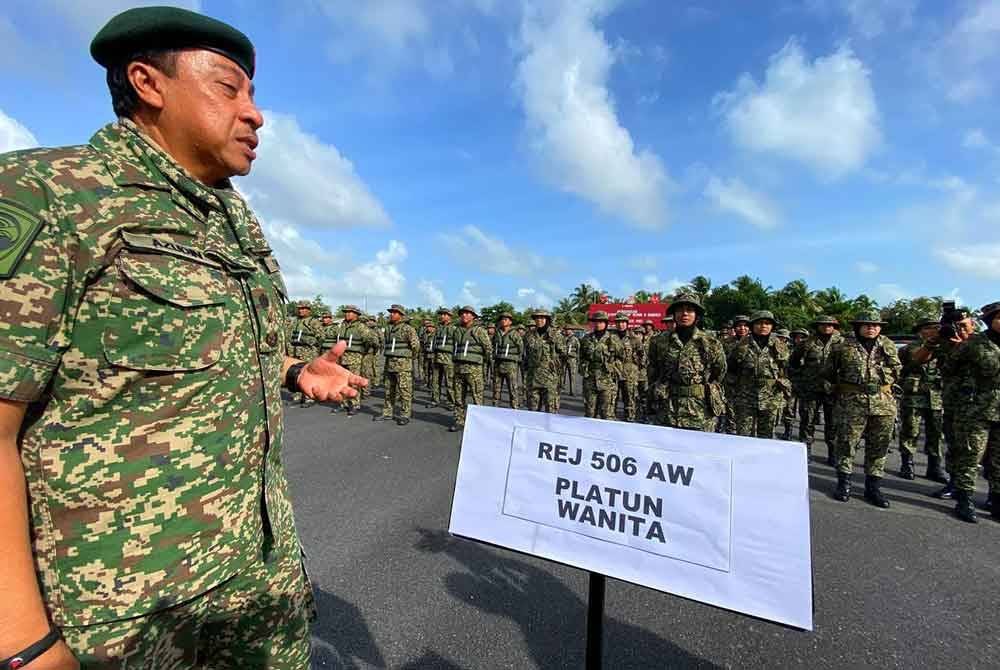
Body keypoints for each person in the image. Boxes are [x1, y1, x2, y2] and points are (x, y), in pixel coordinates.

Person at [0, 7, 370, 667]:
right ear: (148, 82)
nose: (255, 114)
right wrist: (24, 644)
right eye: (231, 88)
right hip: (124, 618)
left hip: (258, 585)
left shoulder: (231, 220)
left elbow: (183, 339)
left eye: (253, 94)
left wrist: (290, 369)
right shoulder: (50, 195)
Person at [823, 311, 902, 507]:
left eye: (875, 325)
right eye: (866, 324)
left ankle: (873, 487)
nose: (871, 328)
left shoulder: (888, 345)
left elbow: (898, 370)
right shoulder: (842, 346)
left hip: (883, 402)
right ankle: (844, 484)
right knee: (846, 443)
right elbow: (828, 372)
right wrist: (836, 392)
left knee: (879, 446)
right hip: (851, 402)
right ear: (858, 326)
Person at [910, 307, 977, 499]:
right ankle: (955, 483)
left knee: (985, 451)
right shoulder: (944, 344)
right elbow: (918, 361)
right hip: (954, 403)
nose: (960, 330)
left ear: (973, 325)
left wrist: (964, 346)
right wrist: (932, 342)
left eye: (964, 326)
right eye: (955, 327)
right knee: (954, 445)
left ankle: (993, 494)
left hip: (983, 406)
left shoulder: (984, 343)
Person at [942, 302, 1000, 522]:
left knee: (998, 459)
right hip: (976, 409)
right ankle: (964, 499)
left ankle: (996, 500)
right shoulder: (975, 343)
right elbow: (949, 369)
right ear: (990, 321)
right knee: (970, 455)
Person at [646, 294, 727, 431]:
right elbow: (653, 370)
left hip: (700, 411)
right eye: (680, 310)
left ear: (697, 315)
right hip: (667, 409)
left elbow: (719, 372)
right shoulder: (659, 341)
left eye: (689, 310)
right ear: (674, 314)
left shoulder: (710, 343)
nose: (684, 314)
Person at [896, 316, 948, 482]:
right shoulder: (909, 348)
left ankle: (934, 466)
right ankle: (907, 463)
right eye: (929, 328)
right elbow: (914, 361)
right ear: (920, 331)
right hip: (915, 395)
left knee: (936, 433)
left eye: (936, 328)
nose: (934, 331)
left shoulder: (946, 347)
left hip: (937, 396)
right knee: (910, 429)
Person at [727, 311, 791, 439]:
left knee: (766, 437)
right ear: (752, 326)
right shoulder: (740, 345)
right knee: (743, 436)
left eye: (767, 323)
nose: (763, 326)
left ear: (772, 326)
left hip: (771, 397)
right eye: (759, 323)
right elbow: (730, 369)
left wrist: (785, 386)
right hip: (745, 397)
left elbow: (788, 369)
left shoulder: (780, 346)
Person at [791, 315, 843, 464]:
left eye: (830, 325)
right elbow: (793, 363)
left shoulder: (842, 344)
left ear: (834, 327)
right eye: (823, 324)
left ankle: (833, 453)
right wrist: (799, 383)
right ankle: (805, 452)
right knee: (807, 421)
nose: (826, 327)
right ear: (817, 326)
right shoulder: (807, 343)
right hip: (810, 389)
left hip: (832, 390)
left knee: (832, 423)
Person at [449, 306, 493, 432]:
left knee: (477, 397)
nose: (464, 315)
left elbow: (488, 349)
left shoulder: (479, 331)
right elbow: (454, 347)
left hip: (474, 369)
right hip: (458, 368)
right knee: (458, 397)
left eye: (468, 313)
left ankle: (479, 423)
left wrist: (481, 363)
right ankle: (459, 420)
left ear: (473, 316)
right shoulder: (457, 331)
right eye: (463, 313)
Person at [330, 306, 377, 417]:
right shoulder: (341, 326)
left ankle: (355, 404)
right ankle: (343, 403)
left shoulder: (361, 327)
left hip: (354, 358)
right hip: (341, 358)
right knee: (341, 382)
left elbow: (372, 340)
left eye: (350, 312)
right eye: (346, 312)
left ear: (356, 314)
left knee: (354, 382)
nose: (347, 314)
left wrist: (363, 351)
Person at [378, 305, 420, 426]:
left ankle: (405, 414)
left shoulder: (408, 329)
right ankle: (387, 412)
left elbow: (416, 346)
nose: (392, 314)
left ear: (401, 315)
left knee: (404, 390)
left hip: (403, 365)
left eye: (395, 312)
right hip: (389, 363)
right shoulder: (389, 328)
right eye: (391, 312)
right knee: (388, 389)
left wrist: (409, 358)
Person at [580, 311, 624, 419]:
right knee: (590, 413)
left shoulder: (613, 339)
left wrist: (614, 368)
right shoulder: (586, 339)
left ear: (605, 323)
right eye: (595, 322)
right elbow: (581, 356)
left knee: (607, 414)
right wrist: (583, 368)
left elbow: (621, 356)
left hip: (607, 380)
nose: (598, 324)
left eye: (601, 322)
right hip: (590, 379)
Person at [524, 309, 566, 413]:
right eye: (537, 318)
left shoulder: (556, 335)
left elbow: (563, 354)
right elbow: (526, 353)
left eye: (542, 318)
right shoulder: (529, 335)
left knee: (551, 412)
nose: (539, 320)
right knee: (532, 411)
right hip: (533, 378)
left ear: (547, 320)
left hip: (550, 379)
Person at [287, 301, 325, 406]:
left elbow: (321, 336)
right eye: (299, 308)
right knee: (295, 374)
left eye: (304, 308)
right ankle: (298, 396)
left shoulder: (314, 322)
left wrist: (309, 341)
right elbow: (289, 335)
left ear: (309, 310)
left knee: (308, 375)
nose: (301, 310)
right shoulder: (295, 321)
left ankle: (309, 397)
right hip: (295, 351)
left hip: (308, 352)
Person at [613, 314, 641, 422]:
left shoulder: (634, 338)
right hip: (614, 372)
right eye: (618, 322)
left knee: (629, 398)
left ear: (627, 324)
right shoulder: (611, 338)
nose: (621, 324)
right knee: (612, 397)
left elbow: (642, 355)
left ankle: (629, 419)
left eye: (623, 322)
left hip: (630, 374)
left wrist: (634, 368)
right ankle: (611, 419)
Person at [493, 313, 523, 409]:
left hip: (510, 364)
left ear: (510, 322)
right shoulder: (497, 333)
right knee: (496, 388)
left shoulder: (515, 334)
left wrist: (515, 358)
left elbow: (520, 348)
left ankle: (514, 409)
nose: (503, 321)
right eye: (502, 319)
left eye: (506, 319)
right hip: (498, 363)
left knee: (512, 388)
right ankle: (495, 408)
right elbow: (493, 346)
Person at [430, 308, 458, 409]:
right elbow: (434, 342)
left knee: (449, 381)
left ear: (449, 316)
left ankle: (451, 402)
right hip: (437, 357)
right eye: (441, 314)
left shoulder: (454, 329)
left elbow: (456, 344)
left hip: (448, 358)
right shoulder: (438, 328)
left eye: (444, 314)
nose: (441, 316)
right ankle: (435, 400)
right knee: (435, 381)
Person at [561, 325, 579, 397]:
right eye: (566, 329)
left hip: (572, 359)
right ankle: (562, 388)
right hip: (563, 358)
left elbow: (578, 350)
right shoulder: (562, 338)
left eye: (569, 329)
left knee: (572, 375)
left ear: (572, 330)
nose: (567, 331)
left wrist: (577, 359)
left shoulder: (575, 339)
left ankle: (572, 391)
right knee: (562, 374)